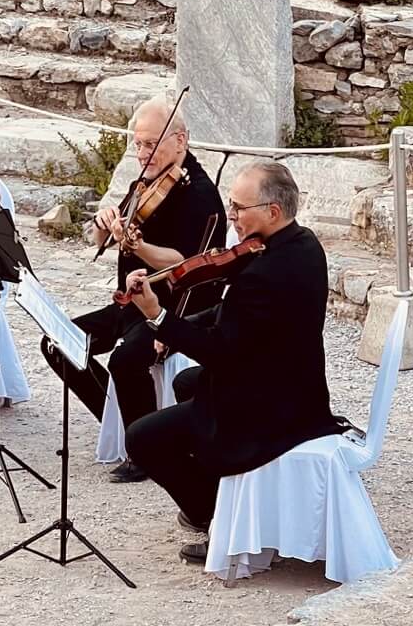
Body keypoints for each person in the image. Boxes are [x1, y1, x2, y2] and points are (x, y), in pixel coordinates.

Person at [123, 161, 342, 563]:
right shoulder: (303, 245)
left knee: (142, 437)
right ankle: (223, 495)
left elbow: (218, 350)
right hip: (295, 384)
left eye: (240, 208)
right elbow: (233, 317)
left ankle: (215, 517)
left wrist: (157, 317)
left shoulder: (263, 274)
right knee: (187, 384)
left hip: (270, 409)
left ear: (272, 212)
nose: (232, 217)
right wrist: (177, 326)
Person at [40, 96, 227, 484]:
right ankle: (121, 419)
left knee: (125, 360)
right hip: (130, 303)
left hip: (173, 308)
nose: (142, 153)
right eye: (138, 144)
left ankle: (145, 450)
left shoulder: (199, 193)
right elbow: (98, 240)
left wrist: (138, 247)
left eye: (151, 144)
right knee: (57, 343)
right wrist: (104, 222)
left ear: (181, 140)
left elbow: (183, 263)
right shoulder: (144, 182)